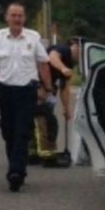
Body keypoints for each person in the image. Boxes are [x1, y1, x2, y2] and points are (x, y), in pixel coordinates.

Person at [0, 2, 53, 192]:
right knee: (8, 131)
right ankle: (16, 166)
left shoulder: (33, 38)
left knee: (22, 131)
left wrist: (48, 90)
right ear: (7, 17)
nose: (17, 19)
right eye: (13, 15)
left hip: (26, 92)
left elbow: (44, 64)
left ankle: (16, 172)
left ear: (24, 18)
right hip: (5, 92)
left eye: (20, 16)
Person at [30, 38, 80, 166]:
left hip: (45, 92)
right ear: (76, 46)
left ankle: (33, 154)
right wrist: (63, 69)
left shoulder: (70, 62)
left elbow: (65, 87)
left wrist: (66, 107)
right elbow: (52, 57)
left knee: (37, 122)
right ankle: (48, 157)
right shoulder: (63, 50)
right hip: (36, 87)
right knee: (47, 123)